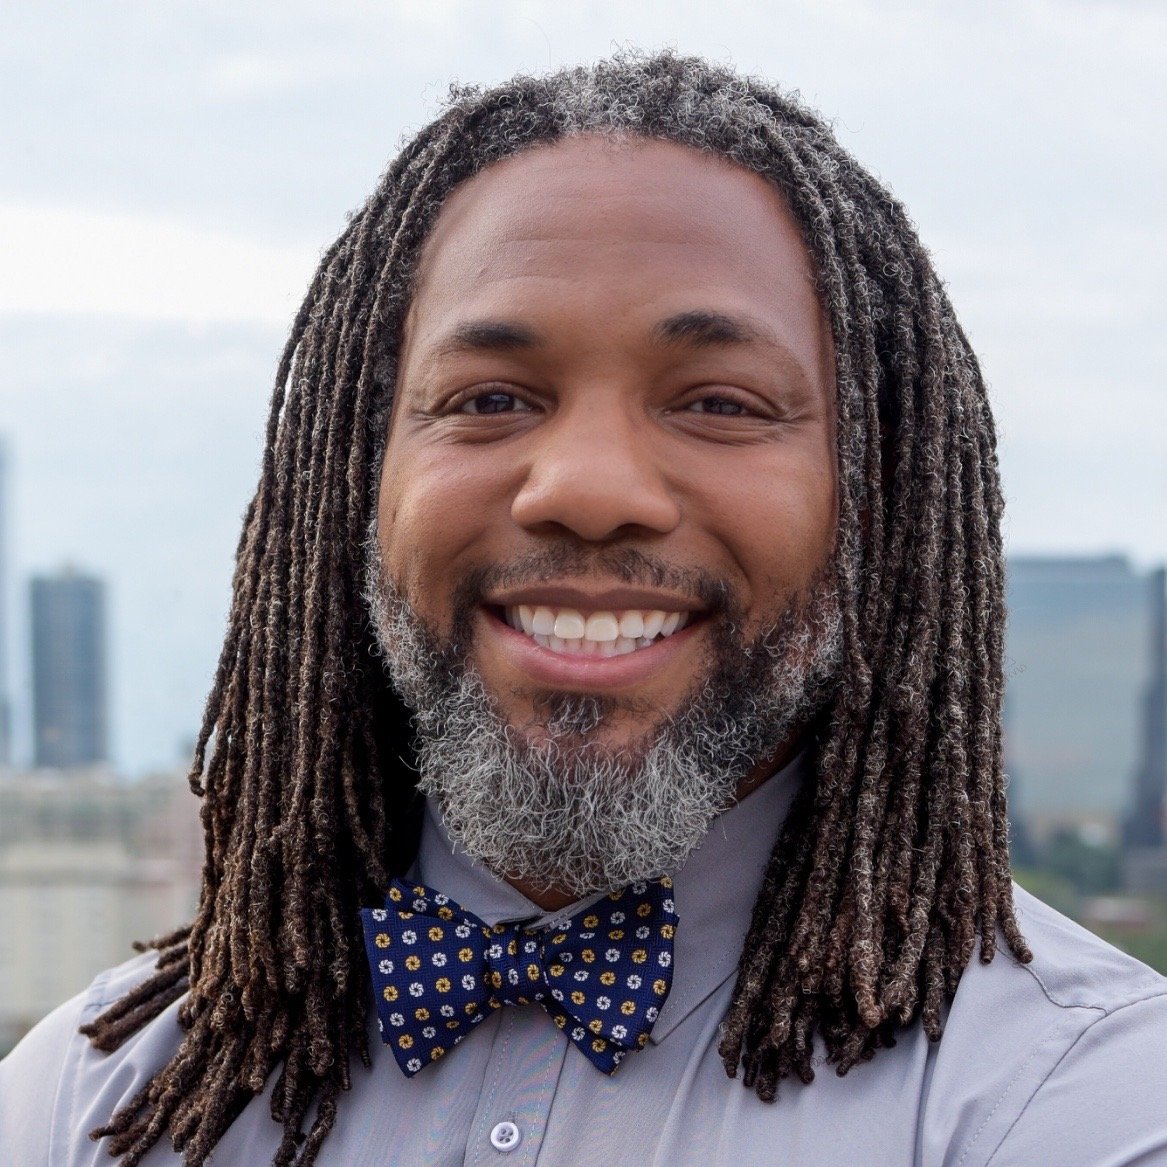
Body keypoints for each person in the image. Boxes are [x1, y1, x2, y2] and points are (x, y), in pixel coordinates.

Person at [2, 50, 1165, 1167]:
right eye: (492, 397)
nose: (588, 490)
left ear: (881, 497)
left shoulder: (1083, 1105)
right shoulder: (88, 1106)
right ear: (354, 480)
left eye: (719, 402)